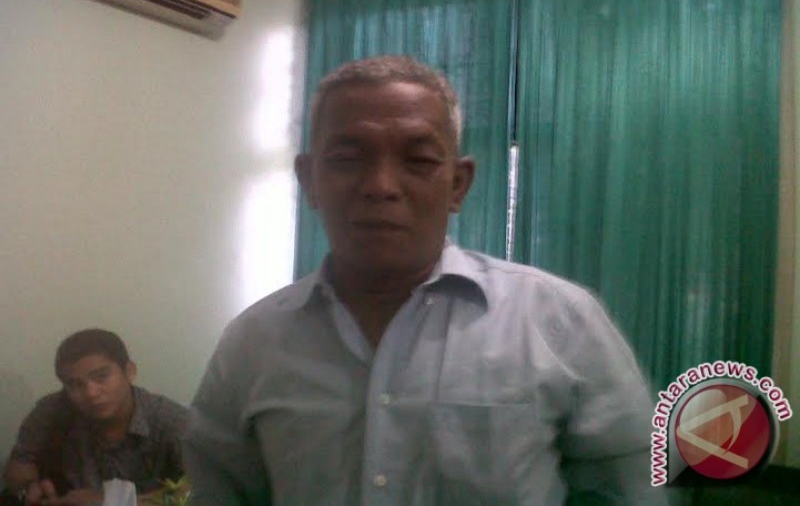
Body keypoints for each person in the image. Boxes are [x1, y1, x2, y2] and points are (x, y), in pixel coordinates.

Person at [184, 56, 664, 505]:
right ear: (309, 180)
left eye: (418, 161)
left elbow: (630, 491)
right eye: (348, 158)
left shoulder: (559, 320)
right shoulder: (253, 341)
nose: (381, 186)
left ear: (458, 184)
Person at [2, 328, 187, 506]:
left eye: (101, 376)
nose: (91, 393)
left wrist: (109, 502)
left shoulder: (173, 422)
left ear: (129, 371)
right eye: (75, 384)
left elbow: (198, 494)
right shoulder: (51, 411)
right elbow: (21, 462)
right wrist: (29, 487)